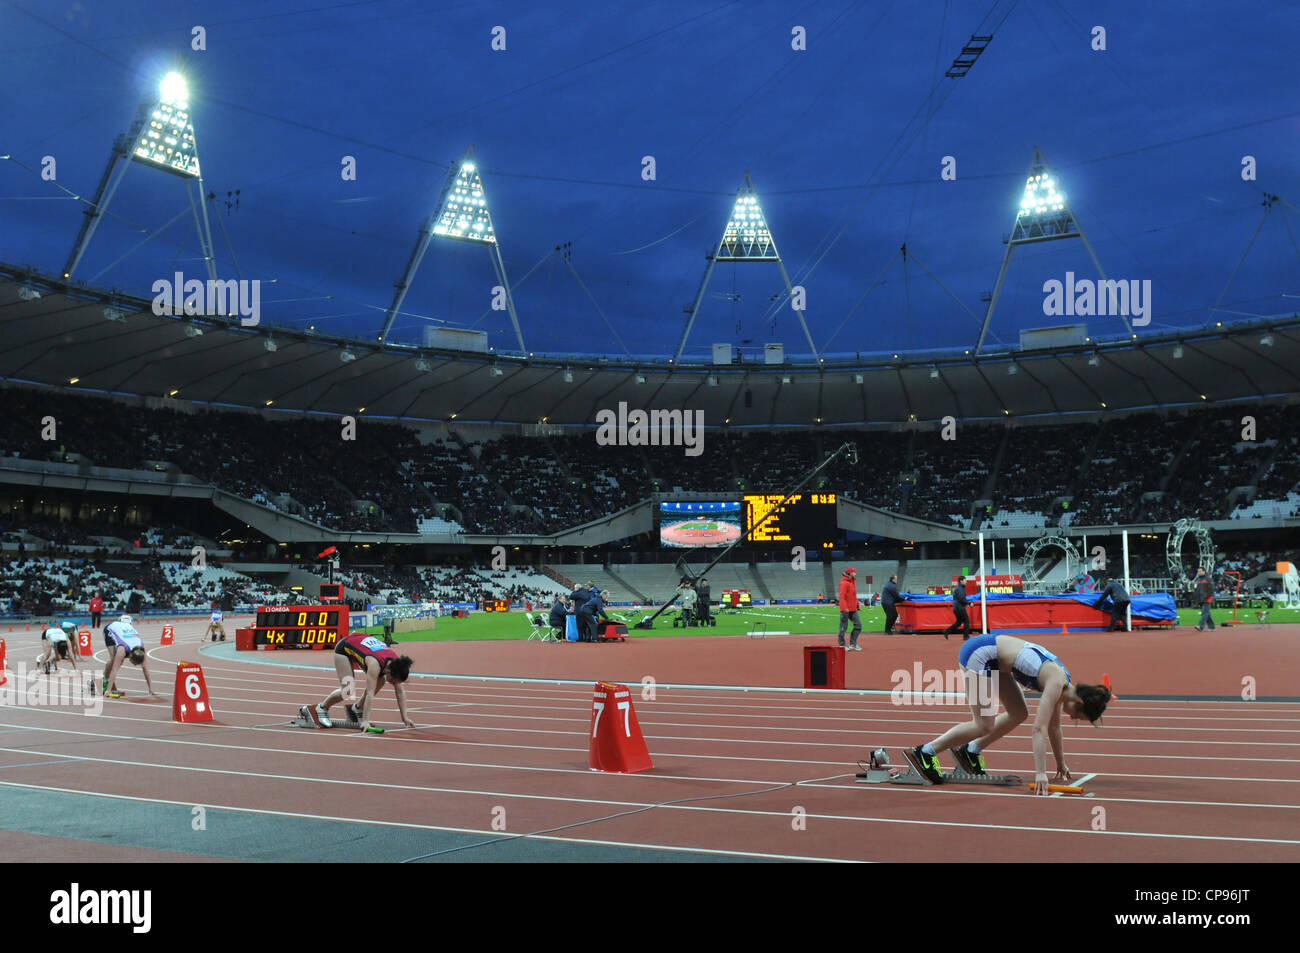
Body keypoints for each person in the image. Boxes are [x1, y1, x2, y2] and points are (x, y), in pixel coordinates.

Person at [904, 633, 1112, 795]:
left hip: (997, 662)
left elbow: (1054, 727)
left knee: (1018, 713)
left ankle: (970, 751)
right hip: (979, 653)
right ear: (1079, 703)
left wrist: (1060, 763)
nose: (1073, 718)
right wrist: (1040, 773)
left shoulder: (1064, 686)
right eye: (1078, 716)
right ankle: (925, 752)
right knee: (982, 724)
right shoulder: (1057, 681)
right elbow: (1039, 730)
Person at [307, 631, 415, 733]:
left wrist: (404, 717)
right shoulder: (375, 664)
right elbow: (370, 693)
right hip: (344, 649)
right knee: (348, 690)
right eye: (394, 682)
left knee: (381, 680)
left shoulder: (397, 664)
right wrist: (365, 721)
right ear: (388, 672)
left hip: (361, 645)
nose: (394, 684)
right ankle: (322, 708)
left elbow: (400, 692)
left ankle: (358, 708)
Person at [102, 615, 157, 698]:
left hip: (125, 632)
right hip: (110, 629)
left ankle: (110, 685)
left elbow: (146, 670)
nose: (134, 665)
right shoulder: (122, 649)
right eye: (134, 663)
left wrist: (150, 689)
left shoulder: (141, 649)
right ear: (130, 656)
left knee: (118, 661)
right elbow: (114, 669)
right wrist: (108, 691)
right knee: (114, 660)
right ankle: (105, 681)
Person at [837, 567, 862, 651]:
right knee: (843, 628)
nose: (855, 573)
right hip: (846, 610)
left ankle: (853, 644)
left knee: (858, 625)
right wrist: (844, 608)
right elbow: (841, 596)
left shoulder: (852, 582)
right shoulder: (844, 583)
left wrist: (857, 605)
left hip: (853, 609)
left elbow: (854, 596)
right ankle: (842, 645)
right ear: (850, 573)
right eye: (854, 572)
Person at [944, 575, 972, 640]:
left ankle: (947, 631)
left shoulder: (959, 588)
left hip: (956, 608)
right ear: (961, 581)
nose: (966, 582)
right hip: (960, 608)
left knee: (958, 623)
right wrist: (969, 603)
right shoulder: (960, 589)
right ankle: (966, 636)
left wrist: (966, 603)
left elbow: (960, 599)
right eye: (965, 580)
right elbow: (961, 598)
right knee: (966, 621)